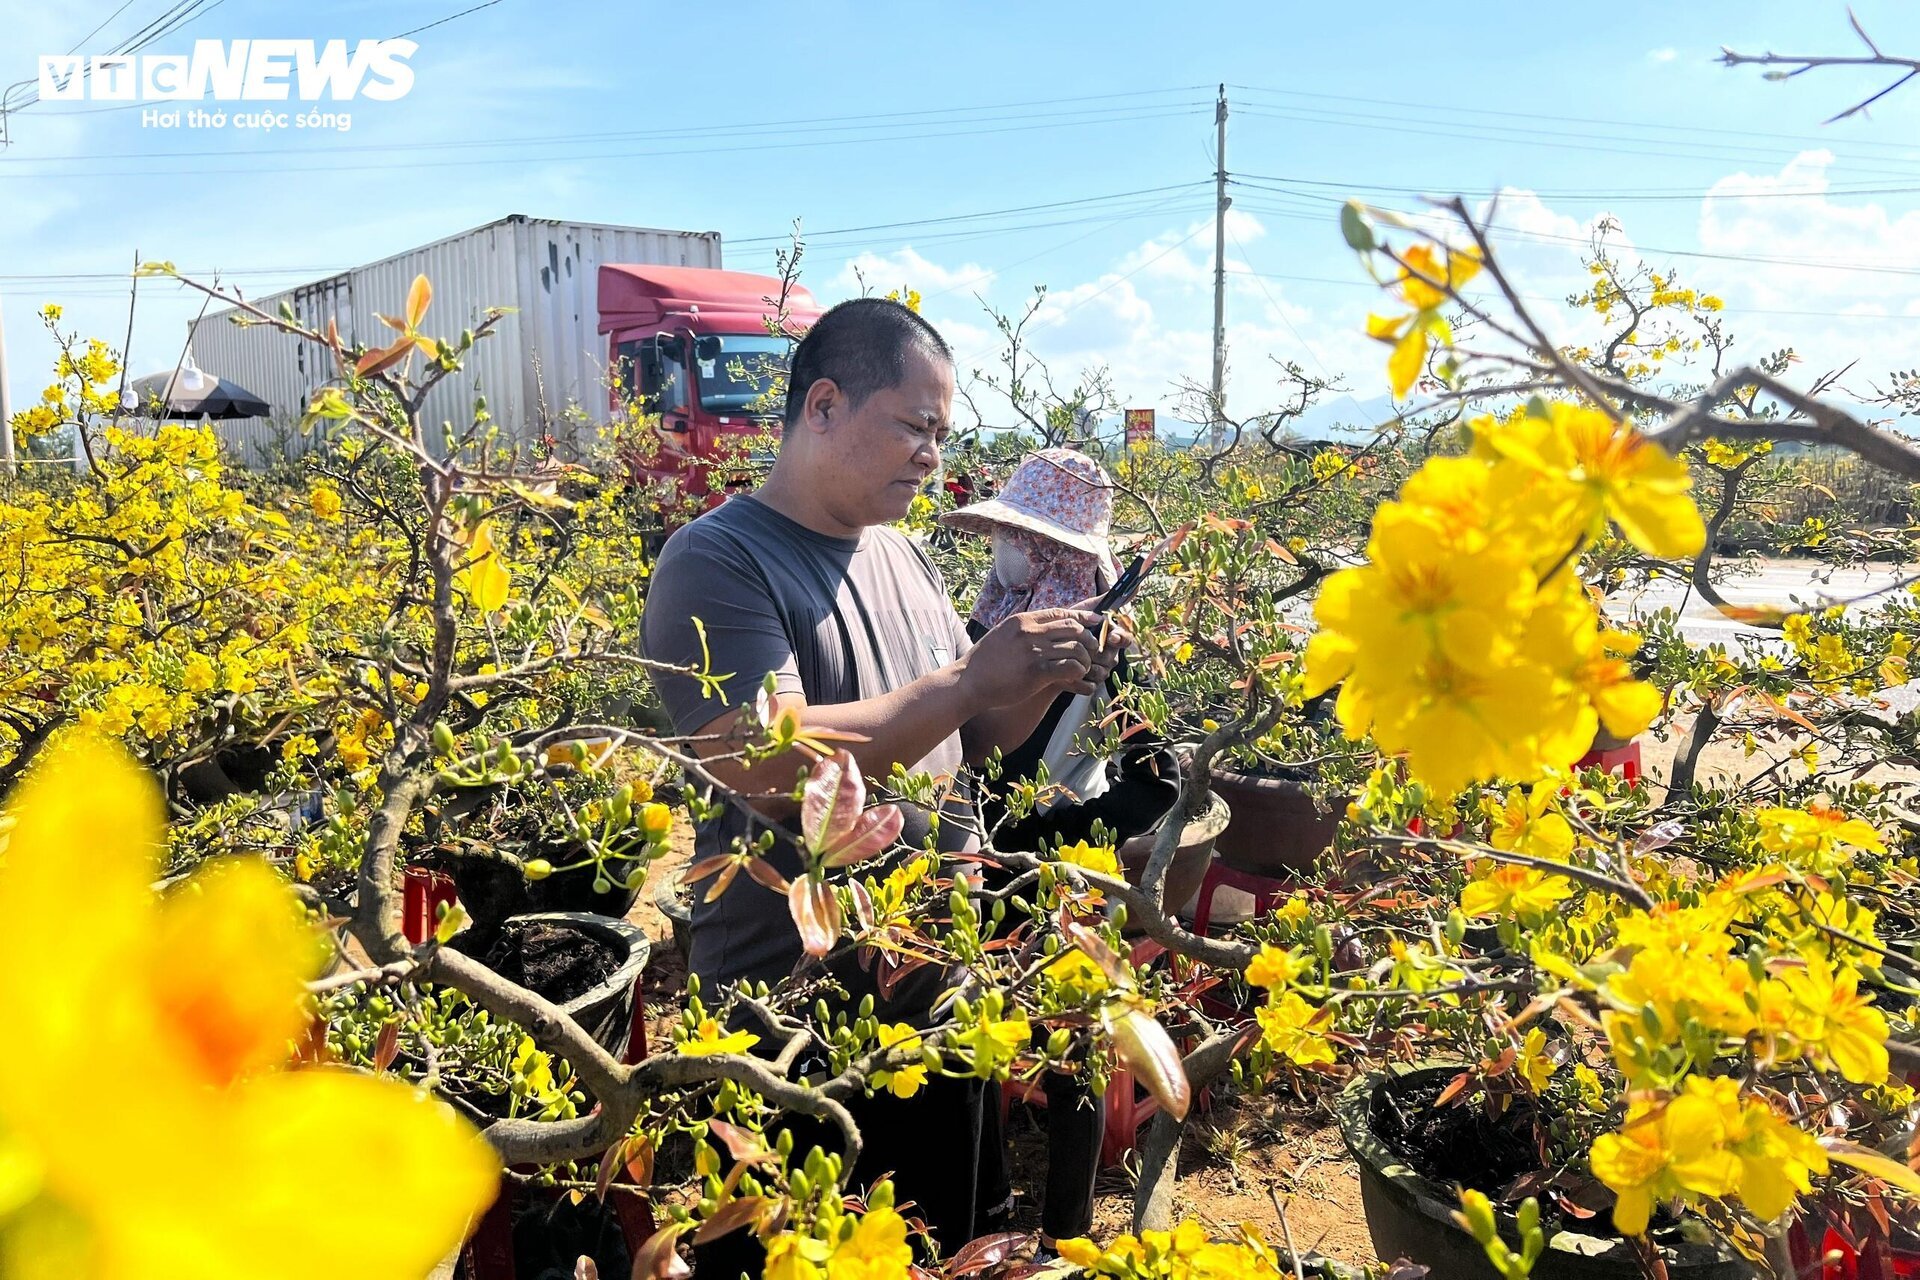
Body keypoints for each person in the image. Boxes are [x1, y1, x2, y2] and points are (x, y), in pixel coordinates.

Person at [640, 298, 1130, 1271]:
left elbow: (975, 734)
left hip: (937, 994)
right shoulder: (718, 558)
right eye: (914, 426)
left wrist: (1045, 671)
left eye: (940, 435)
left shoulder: (899, 550)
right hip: (802, 1022)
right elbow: (756, 751)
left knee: (950, 1243)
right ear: (822, 404)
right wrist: (974, 674)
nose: (931, 458)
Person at [939, 448, 1168, 1251]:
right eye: (1004, 534)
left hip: (1062, 879)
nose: (1004, 550)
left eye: (1020, 536)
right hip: (970, 871)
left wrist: (1049, 837)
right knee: (972, 1043)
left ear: (1058, 551)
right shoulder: (984, 622)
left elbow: (1157, 780)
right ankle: (985, 1222)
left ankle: (1063, 1231)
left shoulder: (1109, 649)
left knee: (1070, 1047)